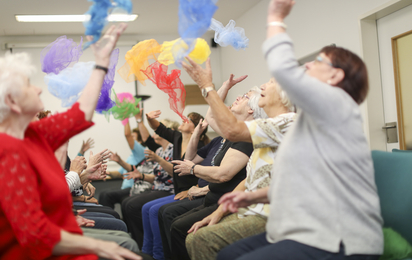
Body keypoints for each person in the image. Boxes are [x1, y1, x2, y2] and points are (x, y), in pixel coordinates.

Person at [184, 1, 383, 259]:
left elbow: (232, 129)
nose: (308, 65)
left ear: (334, 77)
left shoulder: (325, 113)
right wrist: (253, 196)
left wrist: (276, 17)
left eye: (320, 62)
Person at [0, 23, 141, 259]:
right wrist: (97, 246)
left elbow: (80, 114)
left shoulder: (35, 134)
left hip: (59, 238)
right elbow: (33, 234)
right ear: (12, 103)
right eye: (28, 86)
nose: (38, 89)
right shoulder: (7, 152)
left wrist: (101, 63)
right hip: (37, 252)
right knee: (127, 248)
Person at [184, 78, 295, 260]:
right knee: (195, 235)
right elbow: (248, 180)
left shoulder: (288, 122)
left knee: (200, 239)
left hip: (271, 214)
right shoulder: (268, 129)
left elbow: (231, 131)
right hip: (252, 209)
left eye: (271, 82)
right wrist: (219, 211)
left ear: (285, 95)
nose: (263, 85)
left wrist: (207, 86)